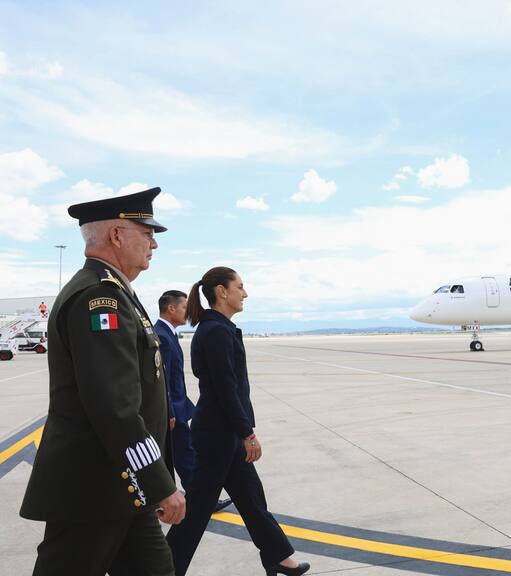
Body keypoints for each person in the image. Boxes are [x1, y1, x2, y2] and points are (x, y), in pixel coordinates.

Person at [20, 188, 185, 576]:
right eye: (146, 233)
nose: (154, 243)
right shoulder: (99, 297)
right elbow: (115, 407)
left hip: (122, 486)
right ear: (116, 235)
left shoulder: (114, 291)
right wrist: (159, 482)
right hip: (93, 487)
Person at [166, 267, 309, 576]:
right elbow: (225, 387)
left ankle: (279, 557)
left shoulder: (218, 327)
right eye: (240, 287)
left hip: (223, 431)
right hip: (219, 433)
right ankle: (163, 569)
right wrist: (247, 432)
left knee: (251, 498)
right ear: (222, 291)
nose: (245, 293)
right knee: (199, 507)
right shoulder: (216, 331)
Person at [155, 290, 232, 512]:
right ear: (171, 309)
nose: (188, 312)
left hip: (176, 408)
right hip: (172, 411)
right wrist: (169, 411)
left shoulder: (168, 333)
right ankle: (199, 500)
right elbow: (163, 381)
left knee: (180, 454)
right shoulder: (163, 336)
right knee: (184, 455)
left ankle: (189, 498)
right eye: (184, 308)